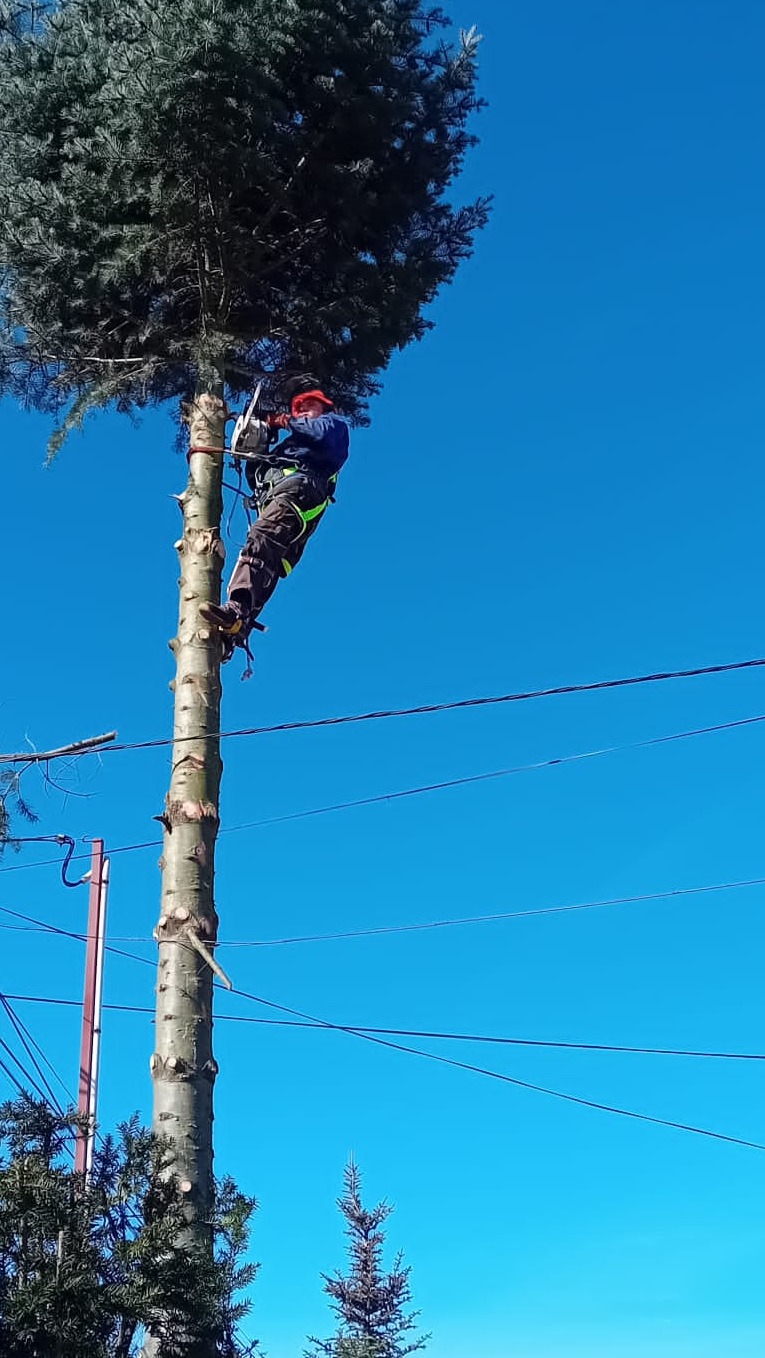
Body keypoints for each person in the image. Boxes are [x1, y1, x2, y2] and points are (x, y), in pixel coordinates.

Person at [200, 387, 349, 660]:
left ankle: (236, 608)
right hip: (283, 500)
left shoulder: (333, 425)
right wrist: (258, 444)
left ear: (325, 409)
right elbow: (257, 473)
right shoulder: (289, 448)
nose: (302, 410)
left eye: (310, 405)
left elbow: (318, 434)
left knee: (261, 540)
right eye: (298, 408)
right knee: (267, 564)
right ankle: (233, 632)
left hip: (299, 495)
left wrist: (283, 420)